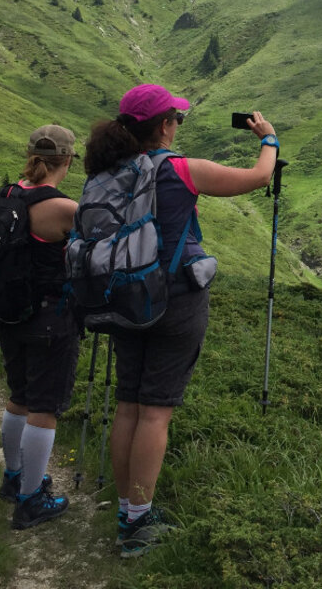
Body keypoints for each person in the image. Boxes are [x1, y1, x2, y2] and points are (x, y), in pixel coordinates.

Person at [82, 83, 278, 558]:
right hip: (174, 300)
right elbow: (258, 177)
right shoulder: (181, 169)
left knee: (129, 404)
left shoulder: (106, 172)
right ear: (165, 126)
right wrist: (268, 139)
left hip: (123, 297)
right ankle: (138, 523)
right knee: (156, 410)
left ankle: (127, 510)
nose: (178, 125)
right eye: (177, 119)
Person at [0, 125, 80, 529]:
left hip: (10, 314)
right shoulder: (64, 209)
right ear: (68, 160)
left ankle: (13, 477)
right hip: (50, 318)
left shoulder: (9, 194)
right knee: (44, 409)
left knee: (20, 397)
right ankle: (31, 500)